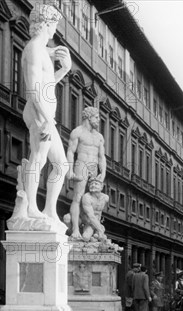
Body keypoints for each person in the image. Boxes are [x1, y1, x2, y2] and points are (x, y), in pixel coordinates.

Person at [21, 3, 71, 225]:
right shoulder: (33, 48)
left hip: (45, 114)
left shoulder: (43, 51)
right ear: (46, 24)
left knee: (61, 165)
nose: (54, 31)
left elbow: (47, 85)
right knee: (38, 158)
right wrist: (46, 119)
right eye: (54, 25)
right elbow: (32, 89)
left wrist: (64, 70)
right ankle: (31, 206)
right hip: (39, 113)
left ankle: (50, 210)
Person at [66, 107, 106, 239]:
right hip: (82, 164)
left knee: (94, 198)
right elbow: (71, 151)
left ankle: (92, 229)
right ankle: (76, 230)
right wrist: (70, 169)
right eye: (96, 117)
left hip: (94, 167)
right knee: (77, 197)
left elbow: (102, 157)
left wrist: (103, 173)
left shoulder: (99, 137)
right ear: (88, 117)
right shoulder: (77, 132)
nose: (98, 120)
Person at [78, 177, 109, 242]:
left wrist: (98, 227)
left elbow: (99, 212)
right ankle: (95, 232)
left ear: (101, 187)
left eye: (96, 184)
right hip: (85, 221)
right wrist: (100, 230)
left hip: (95, 221)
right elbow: (91, 216)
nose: (93, 185)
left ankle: (96, 233)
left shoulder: (105, 198)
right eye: (91, 184)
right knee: (85, 237)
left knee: (89, 236)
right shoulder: (87, 197)